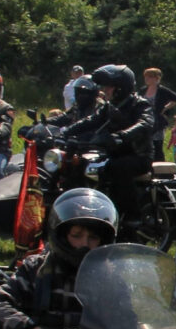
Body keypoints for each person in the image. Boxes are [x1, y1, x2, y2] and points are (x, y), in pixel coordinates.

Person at [0, 188, 118, 329]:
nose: (84, 244)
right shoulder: (36, 269)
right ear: (61, 234)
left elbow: (130, 321)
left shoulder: (111, 277)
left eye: (93, 238)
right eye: (76, 235)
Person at [63, 64, 154, 226]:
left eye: (108, 87)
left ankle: (133, 215)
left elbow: (145, 123)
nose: (105, 90)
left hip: (138, 156)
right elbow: (91, 120)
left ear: (120, 88)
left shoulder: (139, 104)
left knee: (117, 167)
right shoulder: (109, 106)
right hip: (114, 152)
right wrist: (66, 132)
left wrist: (123, 135)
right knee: (82, 164)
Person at [142, 68, 176, 161]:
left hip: (158, 122)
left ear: (157, 78)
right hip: (145, 120)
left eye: (150, 77)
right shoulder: (143, 90)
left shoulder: (162, 90)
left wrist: (165, 108)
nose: (147, 79)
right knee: (146, 146)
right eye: (146, 77)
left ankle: (161, 170)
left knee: (157, 146)